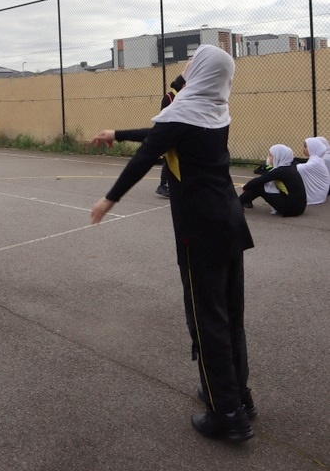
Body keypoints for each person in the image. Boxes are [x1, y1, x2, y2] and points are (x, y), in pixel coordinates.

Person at [90, 45, 255, 442]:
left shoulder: (183, 113)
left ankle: (227, 415)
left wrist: (108, 199)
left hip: (200, 229)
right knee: (229, 314)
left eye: (192, 64)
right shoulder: (215, 111)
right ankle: (237, 396)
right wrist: (117, 133)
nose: (186, 70)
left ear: (201, 71)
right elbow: (161, 133)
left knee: (207, 318)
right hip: (230, 222)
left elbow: (149, 153)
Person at [239, 144, 306, 217]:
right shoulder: (290, 167)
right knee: (262, 184)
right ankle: (245, 201)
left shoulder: (281, 171)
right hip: (300, 208)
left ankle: (238, 203)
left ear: (279, 157)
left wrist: (245, 187)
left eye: (271, 155)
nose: (269, 158)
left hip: (290, 209)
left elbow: (259, 180)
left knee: (260, 186)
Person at [156, 73, 185, 198]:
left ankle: (177, 184)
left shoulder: (184, 97)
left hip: (180, 132)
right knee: (169, 159)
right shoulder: (169, 97)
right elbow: (164, 116)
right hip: (170, 131)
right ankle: (163, 185)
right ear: (182, 85)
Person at [295, 137, 329, 205]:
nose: (303, 149)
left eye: (305, 146)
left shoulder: (316, 161)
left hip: (316, 197)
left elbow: (297, 169)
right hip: (320, 195)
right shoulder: (317, 159)